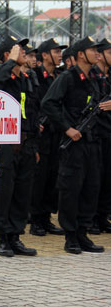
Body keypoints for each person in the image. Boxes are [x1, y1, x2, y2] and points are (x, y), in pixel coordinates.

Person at [42, 36, 109, 254]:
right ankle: (71, 235)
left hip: (93, 143)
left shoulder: (95, 78)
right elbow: (48, 104)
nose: (97, 53)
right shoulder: (68, 77)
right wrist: (67, 128)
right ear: (81, 54)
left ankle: (83, 233)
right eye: (93, 50)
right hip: (74, 144)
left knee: (91, 187)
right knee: (71, 189)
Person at [0, 36, 39, 258]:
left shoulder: (26, 79)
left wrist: (35, 145)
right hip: (7, 143)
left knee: (22, 192)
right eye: (20, 50)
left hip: (26, 142)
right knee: (4, 192)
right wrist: (10, 62)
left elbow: (32, 112)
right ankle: (2, 238)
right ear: (7, 55)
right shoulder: (2, 77)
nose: (25, 54)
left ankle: (16, 235)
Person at [30, 38, 67, 237]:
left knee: (53, 175)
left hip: (56, 133)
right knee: (40, 176)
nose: (59, 54)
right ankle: (36, 218)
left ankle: (47, 217)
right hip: (41, 133)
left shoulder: (59, 76)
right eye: (55, 51)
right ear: (44, 55)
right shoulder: (35, 75)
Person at [92, 38, 111, 234]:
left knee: (107, 179)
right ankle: (92, 219)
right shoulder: (93, 76)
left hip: (108, 134)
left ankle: (103, 216)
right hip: (95, 134)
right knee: (95, 178)